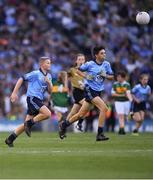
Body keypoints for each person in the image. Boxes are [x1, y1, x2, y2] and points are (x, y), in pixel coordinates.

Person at [59, 46, 114, 141]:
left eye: (104, 53)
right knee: (104, 108)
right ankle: (100, 134)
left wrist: (105, 75)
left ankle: (64, 125)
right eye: (102, 53)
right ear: (96, 55)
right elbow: (78, 70)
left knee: (80, 114)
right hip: (89, 90)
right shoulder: (90, 64)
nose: (104, 54)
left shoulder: (106, 64)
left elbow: (112, 77)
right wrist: (87, 76)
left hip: (98, 91)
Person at [5, 57, 52, 147]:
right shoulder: (35, 73)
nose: (49, 64)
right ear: (42, 64)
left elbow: (50, 91)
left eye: (50, 63)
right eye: (47, 63)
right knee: (48, 114)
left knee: (25, 125)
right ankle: (29, 124)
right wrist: (14, 93)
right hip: (32, 98)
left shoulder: (49, 76)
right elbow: (21, 78)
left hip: (38, 99)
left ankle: (10, 139)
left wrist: (49, 83)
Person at [67, 54, 86, 132]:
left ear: (85, 61)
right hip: (77, 92)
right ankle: (80, 123)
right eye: (79, 59)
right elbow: (66, 77)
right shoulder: (72, 70)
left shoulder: (87, 71)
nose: (81, 61)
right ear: (76, 61)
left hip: (85, 92)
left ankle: (63, 126)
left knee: (73, 112)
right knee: (86, 105)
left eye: (82, 59)